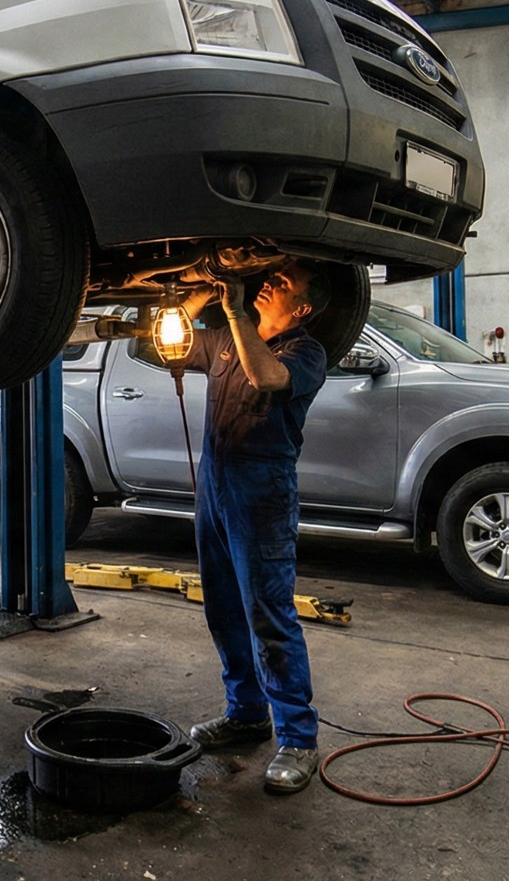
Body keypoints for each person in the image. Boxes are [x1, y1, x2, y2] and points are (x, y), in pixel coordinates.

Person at [177, 260, 331, 795]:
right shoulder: (222, 337)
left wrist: (237, 311)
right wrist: (201, 292)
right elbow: (154, 348)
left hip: (262, 492)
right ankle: (246, 713)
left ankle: (298, 738)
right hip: (215, 484)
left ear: (302, 308)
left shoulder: (306, 353)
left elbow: (266, 375)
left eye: (284, 282)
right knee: (222, 607)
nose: (270, 281)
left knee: (268, 614)